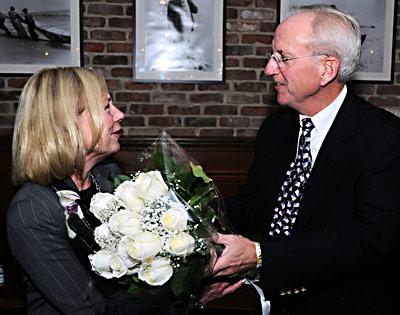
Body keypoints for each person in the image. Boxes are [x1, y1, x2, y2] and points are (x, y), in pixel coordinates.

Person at [202, 4, 400, 315]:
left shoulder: (384, 138)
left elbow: (370, 238)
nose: (269, 69)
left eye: (283, 58)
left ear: (326, 68)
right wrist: (194, 215)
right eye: (272, 56)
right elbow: (257, 203)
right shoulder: (276, 128)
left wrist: (260, 253)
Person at [7, 67, 184, 314]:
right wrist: (182, 290)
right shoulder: (32, 210)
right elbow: (90, 309)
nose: (120, 114)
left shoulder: (110, 177)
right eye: (106, 107)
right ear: (67, 122)